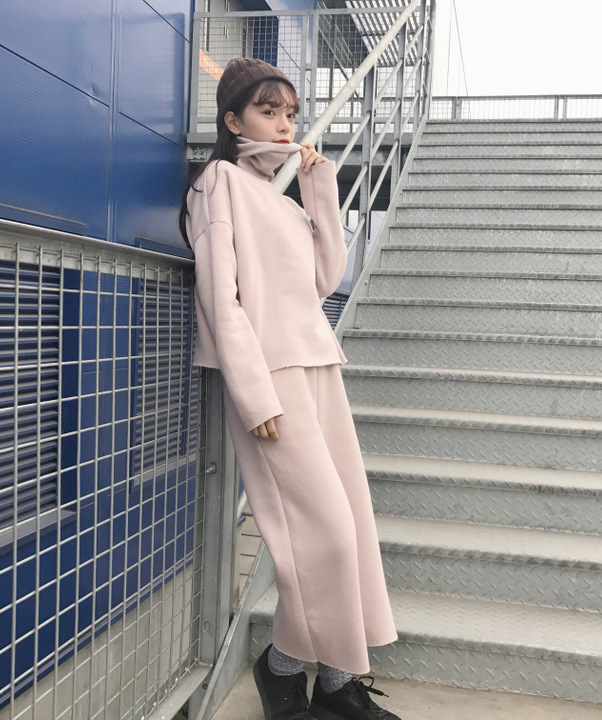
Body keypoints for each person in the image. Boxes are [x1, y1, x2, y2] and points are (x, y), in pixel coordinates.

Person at [179, 57, 400, 720]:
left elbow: (323, 280)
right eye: (268, 111)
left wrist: (319, 187)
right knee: (324, 534)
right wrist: (252, 393)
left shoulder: (280, 197)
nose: (283, 124)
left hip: (318, 366)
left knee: (348, 526)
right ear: (233, 120)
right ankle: (285, 670)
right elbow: (219, 295)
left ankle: (330, 682)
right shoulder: (218, 183)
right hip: (270, 375)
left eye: (291, 114)